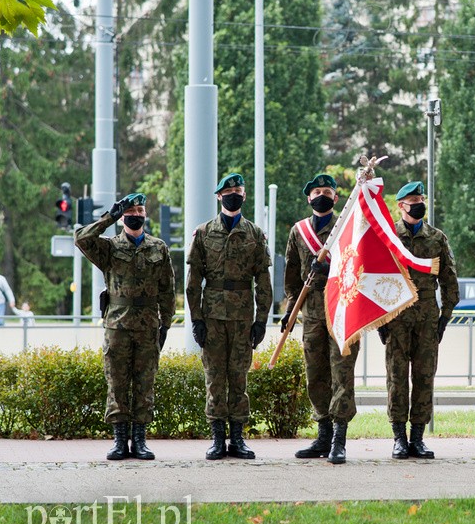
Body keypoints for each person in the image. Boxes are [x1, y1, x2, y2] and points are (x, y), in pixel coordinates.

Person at [74, 193, 175, 461]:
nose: (136, 214)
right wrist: (110, 216)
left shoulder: (158, 247)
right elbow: (81, 239)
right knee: (117, 382)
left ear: (145, 214)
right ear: (123, 215)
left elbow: (167, 290)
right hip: (117, 325)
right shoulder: (108, 248)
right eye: (130, 210)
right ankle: (119, 441)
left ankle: (139, 441)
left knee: (144, 384)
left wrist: (166, 324)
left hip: (147, 326)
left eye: (140, 209)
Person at [186, 173, 272, 460]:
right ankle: (217, 439)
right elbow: (192, 281)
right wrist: (196, 319)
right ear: (219, 196)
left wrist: (261, 320)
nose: (234, 194)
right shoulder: (203, 233)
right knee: (214, 377)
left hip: (242, 316)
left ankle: (237, 439)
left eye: (238, 190)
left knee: (238, 378)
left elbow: (263, 280)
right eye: (229, 190)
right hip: (212, 316)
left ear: (244, 196)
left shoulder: (255, 234)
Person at [377, 181, 459, 459]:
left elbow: (450, 280)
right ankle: (399, 438)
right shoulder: (388, 236)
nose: (418, 203)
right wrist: (380, 320)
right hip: (397, 316)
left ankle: (418, 438)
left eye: (420, 198)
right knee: (397, 378)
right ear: (400, 206)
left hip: (427, 318)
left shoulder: (437, 238)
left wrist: (445, 317)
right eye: (412, 199)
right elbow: (375, 279)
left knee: (425, 377)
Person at [283, 174, 360, 464]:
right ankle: (324, 435)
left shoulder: (349, 227)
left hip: (343, 309)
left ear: (336, 198)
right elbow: (291, 275)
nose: (322, 195)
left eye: (327, 191)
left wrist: (330, 272)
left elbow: (359, 264)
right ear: (308, 197)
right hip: (312, 313)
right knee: (315, 373)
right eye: (317, 191)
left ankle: (339, 439)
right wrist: (291, 308)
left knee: (342, 372)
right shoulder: (298, 231)